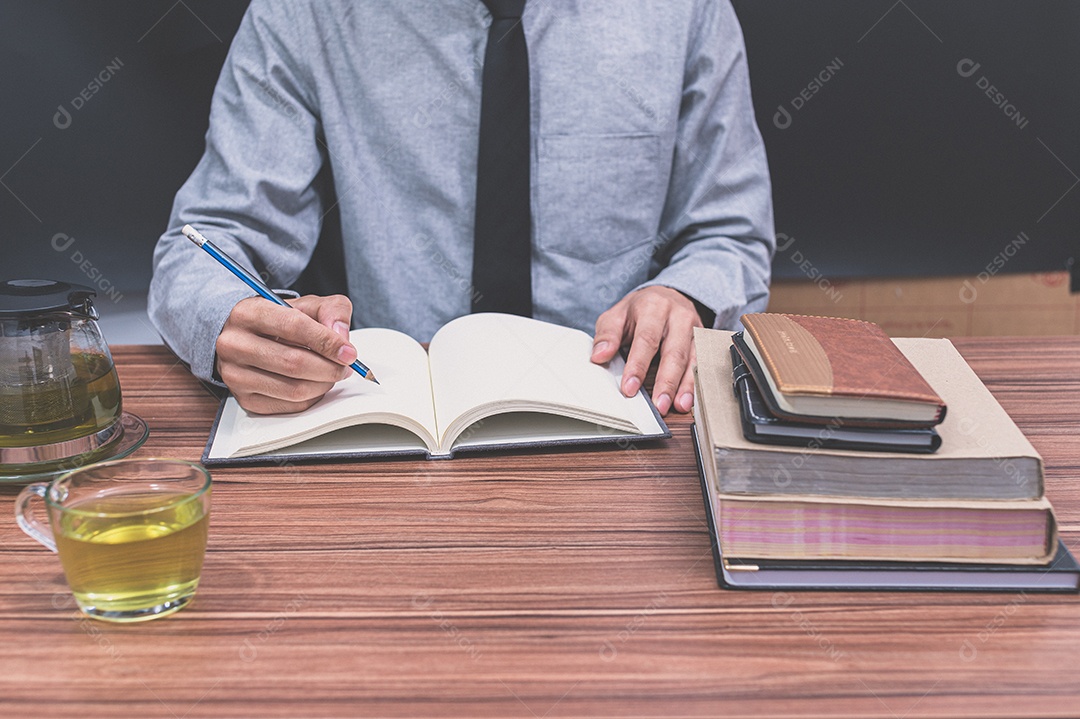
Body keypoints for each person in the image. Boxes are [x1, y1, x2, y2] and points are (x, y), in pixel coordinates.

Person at [149, 0, 774, 417]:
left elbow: (729, 230)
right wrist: (229, 318)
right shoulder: (306, 12)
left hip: (627, 410)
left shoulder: (688, 11)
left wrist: (685, 295)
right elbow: (205, 241)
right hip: (388, 423)